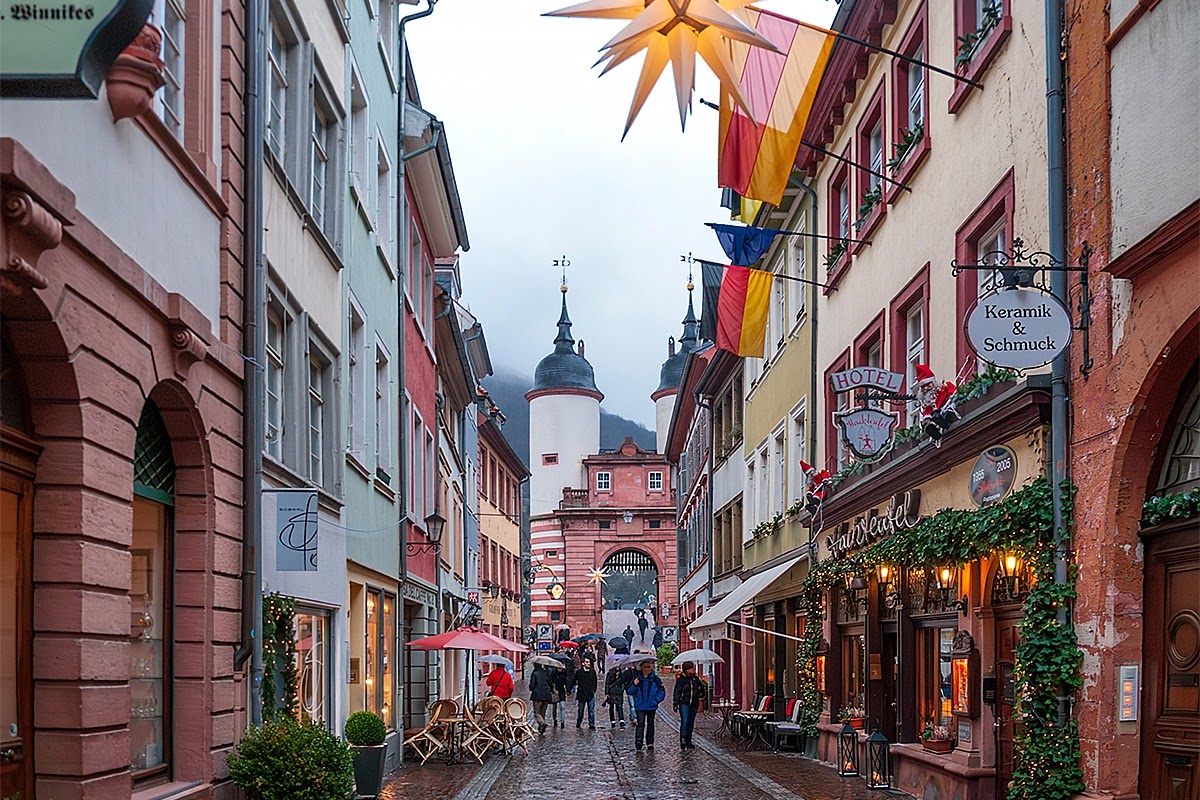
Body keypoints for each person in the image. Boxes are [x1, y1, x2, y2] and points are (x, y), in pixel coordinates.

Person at [627, 659, 666, 751]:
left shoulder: (655, 679)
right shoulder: (638, 679)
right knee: (640, 724)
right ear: (642, 668)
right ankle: (639, 741)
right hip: (640, 705)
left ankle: (650, 742)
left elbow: (661, 691)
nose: (648, 669)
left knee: (650, 724)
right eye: (646, 667)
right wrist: (634, 685)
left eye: (650, 667)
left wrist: (656, 700)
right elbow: (630, 691)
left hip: (651, 705)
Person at [673, 660, 706, 750]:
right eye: (692, 668)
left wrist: (701, 693)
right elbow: (677, 692)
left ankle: (689, 740)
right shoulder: (681, 680)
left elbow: (702, 688)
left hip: (694, 704)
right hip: (684, 703)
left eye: (694, 668)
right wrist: (675, 703)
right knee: (685, 721)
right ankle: (683, 739)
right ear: (686, 670)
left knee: (691, 722)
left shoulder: (695, 679)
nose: (693, 670)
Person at [573, 657, 598, 730]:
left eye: (589, 662)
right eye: (587, 662)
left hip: (590, 693)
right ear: (583, 663)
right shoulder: (579, 672)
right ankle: (579, 722)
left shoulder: (592, 672)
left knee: (591, 710)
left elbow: (595, 681)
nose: (588, 663)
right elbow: (574, 681)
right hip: (582, 694)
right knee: (581, 710)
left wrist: (594, 690)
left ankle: (591, 723)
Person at [529, 664, 555, 735]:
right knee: (542, 712)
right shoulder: (546, 672)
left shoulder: (534, 673)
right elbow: (550, 683)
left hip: (537, 695)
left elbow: (532, 685)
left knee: (536, 712)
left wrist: (531, 687)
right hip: (546, 694)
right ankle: (541, 729)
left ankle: (542, 723)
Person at [603, 663, 627, 729]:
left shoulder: (621, 674)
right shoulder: (610, 673)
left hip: (619, 692)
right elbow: (607, 683)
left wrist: (621, 689)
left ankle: (621, 719)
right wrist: (607, 692)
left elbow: (623, 682)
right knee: (611, 706)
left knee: (619, 705)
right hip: (612, 692)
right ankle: (612, 720)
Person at [551, 657, 571, 728]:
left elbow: (567, 682)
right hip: (555, 691)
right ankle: (555, 719)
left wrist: (568, 690)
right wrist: (553, 690)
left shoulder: (564, 673)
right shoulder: (553, 673)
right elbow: (551, 682)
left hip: (562, 691)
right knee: (554, 707)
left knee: (562, 706)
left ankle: (562, 721)